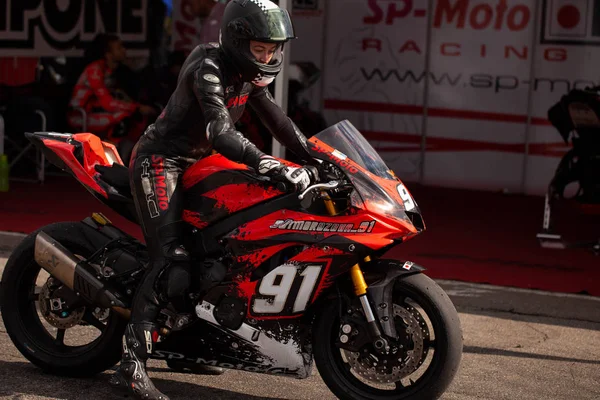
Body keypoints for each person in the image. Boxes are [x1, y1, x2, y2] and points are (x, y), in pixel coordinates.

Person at [108, 1, 317, 399]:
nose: (268, 57)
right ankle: (130, 365)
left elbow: (277, 118)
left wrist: (317, 155)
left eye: (274, 49)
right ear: (237, 39)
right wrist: (271, 163)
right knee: (173, 258)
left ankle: (189, 345)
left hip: (202, 162)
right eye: (261, 48)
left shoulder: (248, 72)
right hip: (162, 160)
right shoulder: (209, 66)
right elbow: (221, 132)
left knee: (222, 247)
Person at [67, 34, 156, 148]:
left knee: (136, 119)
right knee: (123, 117)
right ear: (108, 54)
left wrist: (137, 108)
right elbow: (107, 103)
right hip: (80, 115)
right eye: (119, 48)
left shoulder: (115, 71)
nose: (124, 50)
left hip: (99, 111)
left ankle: (127, 156)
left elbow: (119, 97)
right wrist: (137, 108)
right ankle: (108, 157)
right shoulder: (94, 70)